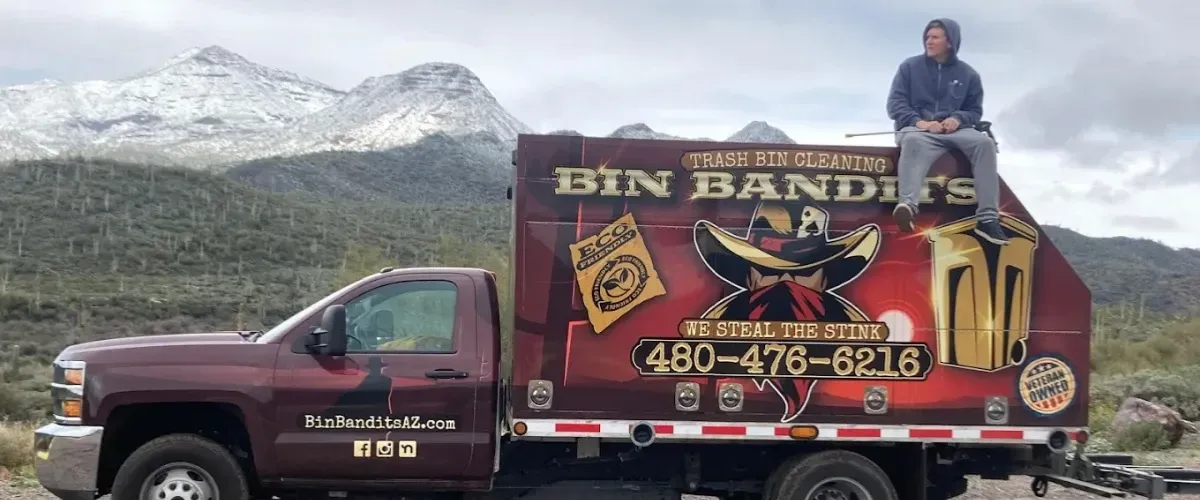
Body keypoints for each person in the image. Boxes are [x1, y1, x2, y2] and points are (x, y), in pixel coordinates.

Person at [886, 18, 1009, 245]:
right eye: (927, 37)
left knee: (985, 144)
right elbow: (895, 105)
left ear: (950, 42)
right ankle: (907, 207)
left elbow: (974, 110)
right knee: (912, 140)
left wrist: (957, 119)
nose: (928, 41)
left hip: (956, 131)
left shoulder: (969, 74)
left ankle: (988, 220)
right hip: (918, 130)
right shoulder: (908, 68)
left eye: (934, 38)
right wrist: (920, 122)